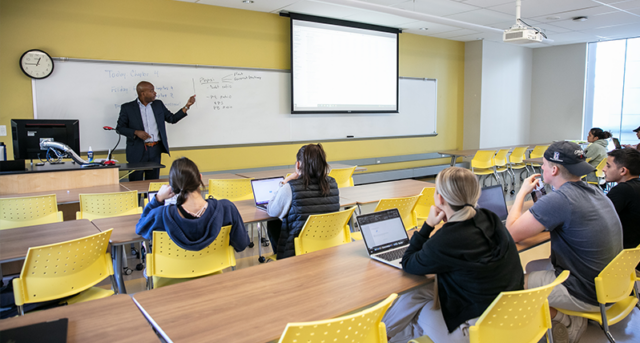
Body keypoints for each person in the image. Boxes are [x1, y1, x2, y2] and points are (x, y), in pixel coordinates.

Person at [382, 167, 524, 343]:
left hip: (475, 332)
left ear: (439, 198)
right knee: (420, 293)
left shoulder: (447, 239)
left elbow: (409, 262)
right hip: (511, 317)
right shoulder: (490, 218)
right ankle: (384, 335)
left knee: (415, 311)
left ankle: (381, 335)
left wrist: (427, 225)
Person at [506, 141, 623, 343]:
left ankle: (568, 322)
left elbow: (511, 233)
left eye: (543, 164)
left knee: (510, 286)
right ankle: (566, 313)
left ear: (554, 169)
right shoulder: (594, 191)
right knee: (533, 266)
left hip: (586, 292)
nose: (541, 168)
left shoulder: (560, 199)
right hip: (612, 286)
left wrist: (521, 194)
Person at [136, 157, 249, 252]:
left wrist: (158, 198)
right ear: (200, 178)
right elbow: (241, 244)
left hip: (171, 274)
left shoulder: (160, 215)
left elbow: (140, 228)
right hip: (214, 271)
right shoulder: (227, 209)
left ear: (173, 187)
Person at [266, 143, 339, 259]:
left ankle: (280, 262)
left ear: (298, 164)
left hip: (296, 251)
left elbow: (271, 211)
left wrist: (284, 183)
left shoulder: (290, 187)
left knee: (273, 222)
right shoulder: (332, 183)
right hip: (327, 246)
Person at [116, 81, 196, 182]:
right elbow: (119, 128)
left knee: (153, 182)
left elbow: (172, 119)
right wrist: (136, 132)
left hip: (155, 150)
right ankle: (136, 198)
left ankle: (152, 198)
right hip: (136, 151)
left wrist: (187, 106)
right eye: (151, 90)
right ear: (143, 93)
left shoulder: (158, 104)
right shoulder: (127, 108)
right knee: (136, 182)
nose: (155, 93)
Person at [603, 148, 640, 254]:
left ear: (623, 171)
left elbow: (599, 218)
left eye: (608, 166)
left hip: (623, 252)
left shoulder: (623, 190)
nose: (604, 169)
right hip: (634, 254)